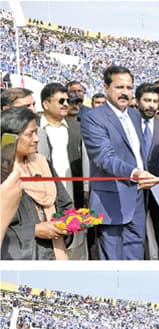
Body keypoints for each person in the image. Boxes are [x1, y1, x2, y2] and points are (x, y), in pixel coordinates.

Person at [81, 66, 159, 259]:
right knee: (112, 260)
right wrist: (135, 173)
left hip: (136, 197)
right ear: (106, 87)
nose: (125, 92)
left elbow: (138, 153)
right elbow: (104, 157)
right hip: (110, 199)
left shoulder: (135, 115)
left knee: (135, 253)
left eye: (128, 87)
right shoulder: (93, 118)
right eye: (119, 87)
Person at [1, 107, 73, 260]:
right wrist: (34, 230)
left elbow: (64, 203)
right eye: (29, 134)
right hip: (20, 261)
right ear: (10, 137)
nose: (36, 139)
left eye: (36, 132)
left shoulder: (43, 163)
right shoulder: (3, 175)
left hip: (56, 251)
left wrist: (68, 222)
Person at [37, 82, 89, 260]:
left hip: (73, 194)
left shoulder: (77, 128)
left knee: (77, 246)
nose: (66, 104)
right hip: (44, 197)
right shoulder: (33, 128)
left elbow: (85, 163)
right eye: (61, 101)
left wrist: (86, 191)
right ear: (45, 104)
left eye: (68, 100)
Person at [133, 82, 159, 260]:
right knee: (136, 234)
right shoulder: (128, 126)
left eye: (154, 101)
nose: (151, 105)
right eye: (147, 100)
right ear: (137, 101)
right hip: (134, 188)